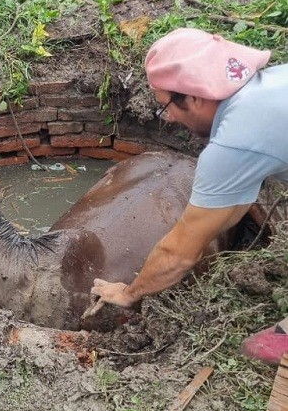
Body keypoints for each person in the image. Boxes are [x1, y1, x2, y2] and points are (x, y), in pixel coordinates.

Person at [91, 28, 288, 366]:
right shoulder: (272, 85)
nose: (167, 117)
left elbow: (179, 254)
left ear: (194, 97)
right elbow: (233, 208)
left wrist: (129, 292)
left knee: (262, 352)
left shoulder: (234, 143)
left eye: (165, 107)